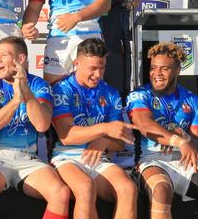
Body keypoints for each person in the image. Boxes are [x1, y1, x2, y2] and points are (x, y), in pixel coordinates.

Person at [127, 42, 198, 219]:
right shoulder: (140, 95)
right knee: (161, 189)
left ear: (178, 70)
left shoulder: (194, 101)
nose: (157, 74)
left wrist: (185, 136)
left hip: (186, 161)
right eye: (153, 68)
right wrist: (178, 141)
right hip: (151, 160)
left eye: (164, 69)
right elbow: (144, 124)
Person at [0, 36, 70, 219]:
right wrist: (16, 100)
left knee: (61, 193)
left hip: (28, 158)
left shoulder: (39, 85)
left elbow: (42, 125)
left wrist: (25, 91)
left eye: (4, 55)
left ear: (21, 59)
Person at [51, 38, 137, 219]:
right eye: (93, 68)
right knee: (85, 187)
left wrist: (104, 140)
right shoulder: (61, 89)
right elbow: (66, 136)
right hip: (67, 157)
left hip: (99, 159)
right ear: (76, 64)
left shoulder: (111, 93)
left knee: (128, 189)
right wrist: (104, 129)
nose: (98, 74)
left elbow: (121, 142)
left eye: (102, 67)